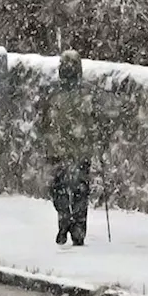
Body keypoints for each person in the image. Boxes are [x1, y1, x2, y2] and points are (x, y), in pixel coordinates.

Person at [40, 49, 98, 246]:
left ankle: (67, 220)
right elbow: (95, 122)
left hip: (60, 150)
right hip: (76, 151)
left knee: (60, 189)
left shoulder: (53, 93)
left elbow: (44, 121)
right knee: (78, 190)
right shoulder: (86, 93)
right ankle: (76, 226)